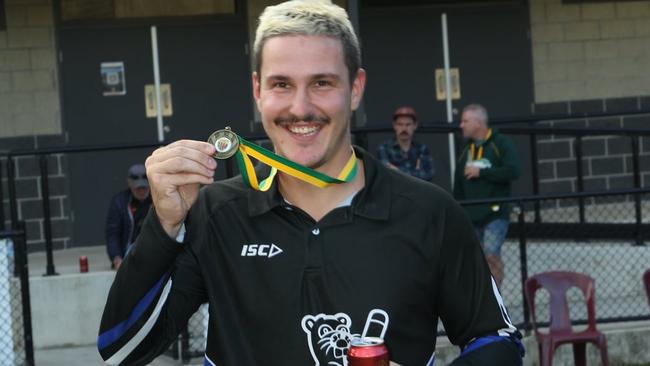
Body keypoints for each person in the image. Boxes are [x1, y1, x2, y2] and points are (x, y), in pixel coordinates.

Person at [98, 2, 523, 365]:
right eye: (282, 84)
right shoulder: (217, 214)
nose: (300, 108)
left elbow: (497, 340)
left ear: (355, 89)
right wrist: (164, 224)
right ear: (258, 91)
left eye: (322, 83)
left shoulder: (429, 212)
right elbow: (122, 348)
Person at [453, 104, 522, 288]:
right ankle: (481, 301)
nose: (461, 125)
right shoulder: (465, 148)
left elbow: (514, 170)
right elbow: (458, 182)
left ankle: (496, 301)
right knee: (474, 261)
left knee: (491, 255)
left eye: (465, 121)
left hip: (495, 214)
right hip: (470, 216)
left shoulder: (500, 143)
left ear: (478, 122)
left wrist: (483, 172)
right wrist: (456, 209)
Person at [105, 163, 152, 270]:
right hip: (130, 252)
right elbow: (112, 233)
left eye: (144, 187)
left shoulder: (157, 200)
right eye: (138, 188)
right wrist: (116, 258)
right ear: (130, 184)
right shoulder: (119, 202)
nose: (141, 191)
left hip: (153, 247)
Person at [377, 106, 435, 181]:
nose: (404, 129)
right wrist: (416, 172)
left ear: (415, 125)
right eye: (400, 124)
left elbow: (429, 174)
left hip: (417, 191)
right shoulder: (384, 148)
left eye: (408, 124)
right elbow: (386, 175)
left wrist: (398, 171)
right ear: (394, 125)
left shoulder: (422, 149)